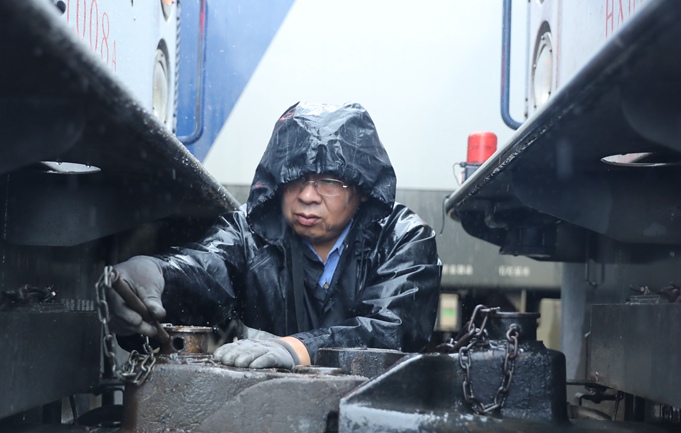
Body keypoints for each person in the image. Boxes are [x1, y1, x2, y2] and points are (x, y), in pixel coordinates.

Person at [106, 102, 441, 369]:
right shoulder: (249, 231)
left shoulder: (404, 238)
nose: (308, 195)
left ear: (363, 188)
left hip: (368, 413)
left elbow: (391, 330)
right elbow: (206, 267)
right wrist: (159, 275)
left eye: (328, 181)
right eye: (295, 178)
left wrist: (296, 349)